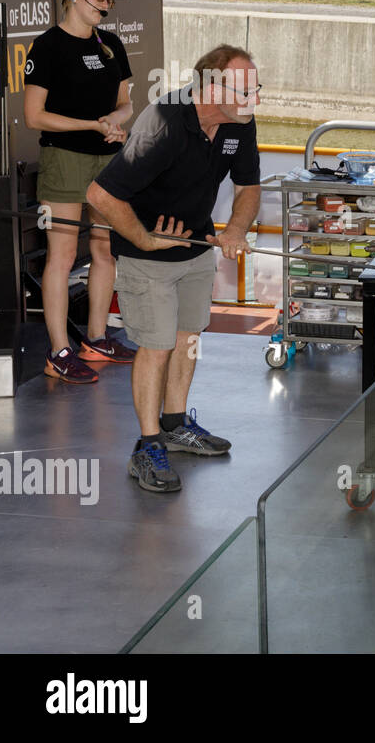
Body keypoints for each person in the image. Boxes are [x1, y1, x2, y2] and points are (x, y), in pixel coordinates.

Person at [86, 44, 262, 493]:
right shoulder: (165, 122)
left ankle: (175, 424)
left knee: (188, 340)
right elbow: (101, 196)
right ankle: (146, 447)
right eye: (244, 89)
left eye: (254, 88)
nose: (252, 98)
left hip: (196, 245)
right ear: (209, 86)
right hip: (147, 253)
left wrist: (236, 230)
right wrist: (144, 238)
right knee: (157, 345)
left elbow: (248, 188)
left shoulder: (239, 122)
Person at [23, 0, 136, 383]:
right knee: (64, 254)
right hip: (64, 160)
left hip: (108, 160)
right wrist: (90, 124)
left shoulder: (111, 45)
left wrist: (114, 120)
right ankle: (59, 350)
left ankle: (97, 336)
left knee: (105, 250)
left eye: (109, 0)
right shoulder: (47, 47)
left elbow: (125, 103)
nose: (106, 6)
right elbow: (35, 116)